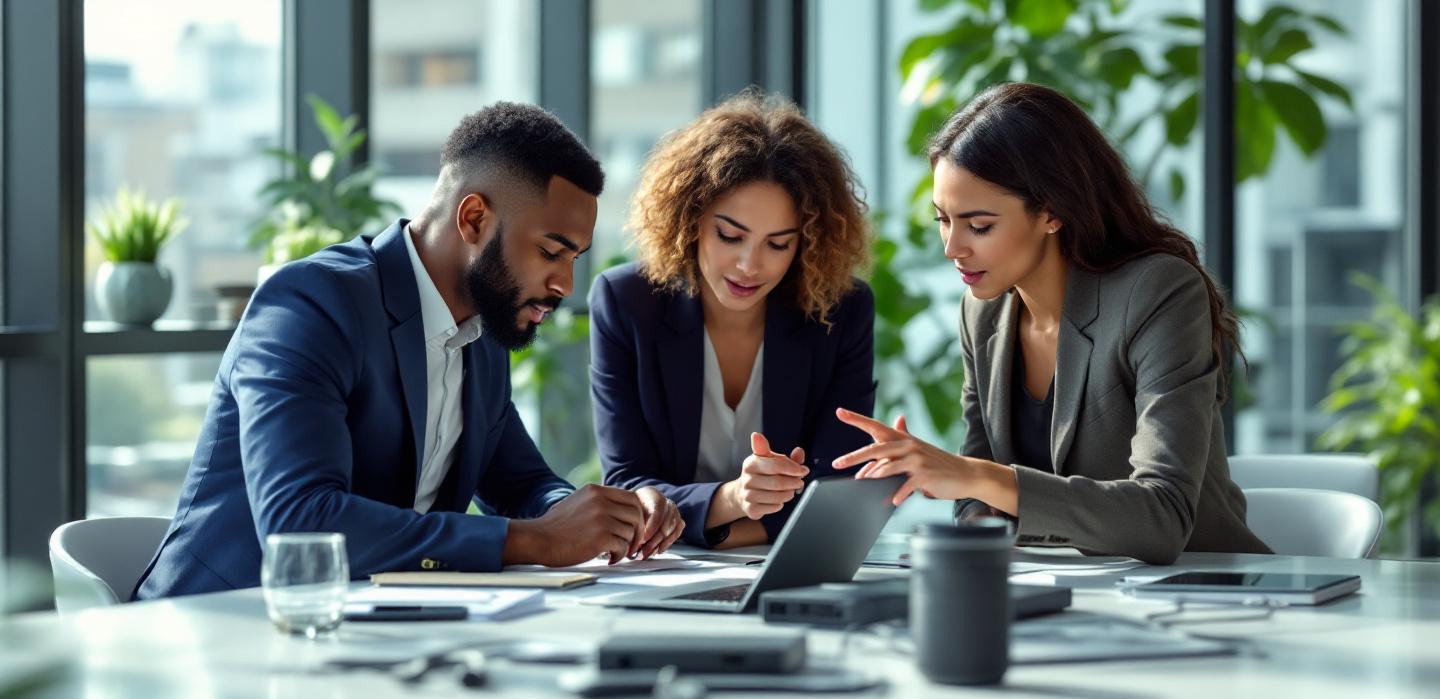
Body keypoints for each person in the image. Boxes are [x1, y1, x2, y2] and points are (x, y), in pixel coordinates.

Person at [136, 103, 683, 599]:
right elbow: (298, 522)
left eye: (574, 259)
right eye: (550, 252)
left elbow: (521, 483)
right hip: (220, 631)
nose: (564, 284)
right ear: (474, 219)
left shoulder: (480, 332)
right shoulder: (312, 304)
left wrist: (598, 516)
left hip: (371, 629)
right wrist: (533, 541)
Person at [832, 82, 1270, 564]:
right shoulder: (981, 311)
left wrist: (973, 476)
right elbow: (977, 501)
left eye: (979, 226)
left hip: (1200, 593)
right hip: (1057, 594)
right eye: (943, 219)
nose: (952, 248)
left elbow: (1161, 518)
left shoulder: (1158, 292)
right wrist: (969, 533)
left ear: (1052, 213)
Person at [589, 91, 875, 549]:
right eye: (729, 235)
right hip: (665, 576)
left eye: (778, 244)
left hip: (784, 566)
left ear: (805, 243)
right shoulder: (627, 302)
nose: (749, 265)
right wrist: (733, 499)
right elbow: (627, 485)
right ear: (690, 220)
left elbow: (837, 486)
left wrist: (714, 533)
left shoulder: (841, 311)